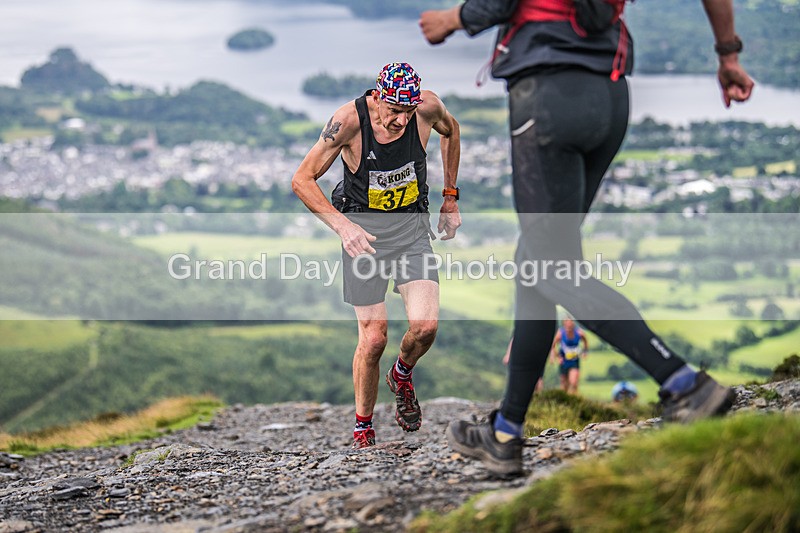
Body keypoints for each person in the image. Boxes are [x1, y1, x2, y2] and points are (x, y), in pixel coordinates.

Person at [419, 0, 754, 475]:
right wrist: (728, 55)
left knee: (549, 267)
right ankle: (505, 433)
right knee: (537, 259)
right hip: (609, 95)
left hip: (549, 96)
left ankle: (681, 382)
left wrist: (456, 19)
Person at [292, 62, 461, 449]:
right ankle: (363, 428)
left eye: (408, 111)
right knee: (373, 340)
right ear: (377, 97)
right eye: (394, 110)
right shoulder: (348, 121)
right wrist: (343, 227)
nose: (401, 120)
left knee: (425, 327)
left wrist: (450, 197)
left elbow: (452, 132)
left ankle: (402, 374)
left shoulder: (428, 109)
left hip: (411, 232)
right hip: (363, 237)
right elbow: (302, 179)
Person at [550, 317, 588, 394]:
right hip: (564, 361)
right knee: (564, 385)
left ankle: (575, 399)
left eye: (570, 324)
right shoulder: (560, 333)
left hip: (574, 360)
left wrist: (585, 351)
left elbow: (585, 341)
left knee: (573, 382)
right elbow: (553, 345)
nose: (569, 326)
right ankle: (565, 401)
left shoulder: (579, 333)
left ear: (573, 324)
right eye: (567, 324)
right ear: (564, 324)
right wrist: (556, 356)